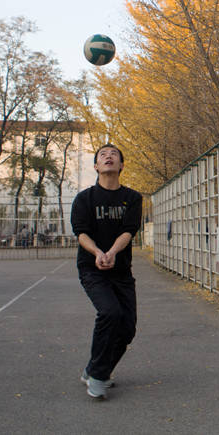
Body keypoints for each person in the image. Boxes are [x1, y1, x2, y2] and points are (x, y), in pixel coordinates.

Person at [71, 143, 142, 400]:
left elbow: (128, 231)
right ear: (96, 166)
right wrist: (98, 254)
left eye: (114, 154)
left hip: (121, 270)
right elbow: (81, 233)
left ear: (121, 165)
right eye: (103, 155)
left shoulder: (133, 198)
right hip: (92, 269)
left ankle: (93, 368)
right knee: (110, 312)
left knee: (128, 328)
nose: (108, 156)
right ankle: (99, 376)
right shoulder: (84, 199)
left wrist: (111, 252)